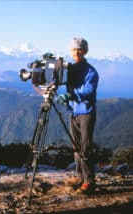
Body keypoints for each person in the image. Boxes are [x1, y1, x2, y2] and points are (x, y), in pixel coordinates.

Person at [56, 37, 99, 194]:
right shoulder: (70, 69)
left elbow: (89, 91)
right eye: (74, 49)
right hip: (73, 111)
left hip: (86, 112)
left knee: (85, 147)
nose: (76, 52)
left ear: (85, 51)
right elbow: (61, 81)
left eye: (79, 49)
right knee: (76, 147)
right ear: (71, 51)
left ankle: (90, 181)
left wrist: (71, 95)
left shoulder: (91, 71)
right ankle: (80, 177)